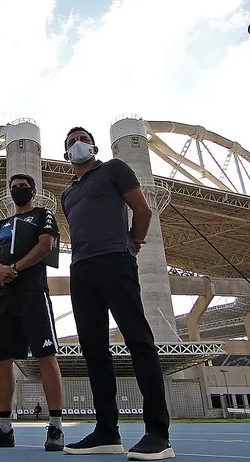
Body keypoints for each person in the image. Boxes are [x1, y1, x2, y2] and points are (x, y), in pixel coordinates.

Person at [60, 127, 174, 460]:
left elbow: (143, 210)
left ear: (92, 146)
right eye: (70, 142)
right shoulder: (67, 194)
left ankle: (157, 433)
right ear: (66, 153)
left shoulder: (114, 169)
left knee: (138, 340)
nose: (77, 144)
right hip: (81, 270)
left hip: (116, 260)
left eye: (82, 138)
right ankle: (106, 432)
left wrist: (132, 244)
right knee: (94, 351)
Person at [0, 173, 65, 451]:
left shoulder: (43, 215)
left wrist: (15, 269)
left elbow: (45, 245)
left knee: (46, 355)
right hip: (4, 296)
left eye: (22, 187)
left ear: (32, 191)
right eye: (14, 188)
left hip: (33, 293)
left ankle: (56, 426)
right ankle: (3, 427)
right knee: (1, 359)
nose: (18, 191)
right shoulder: (2, 224)